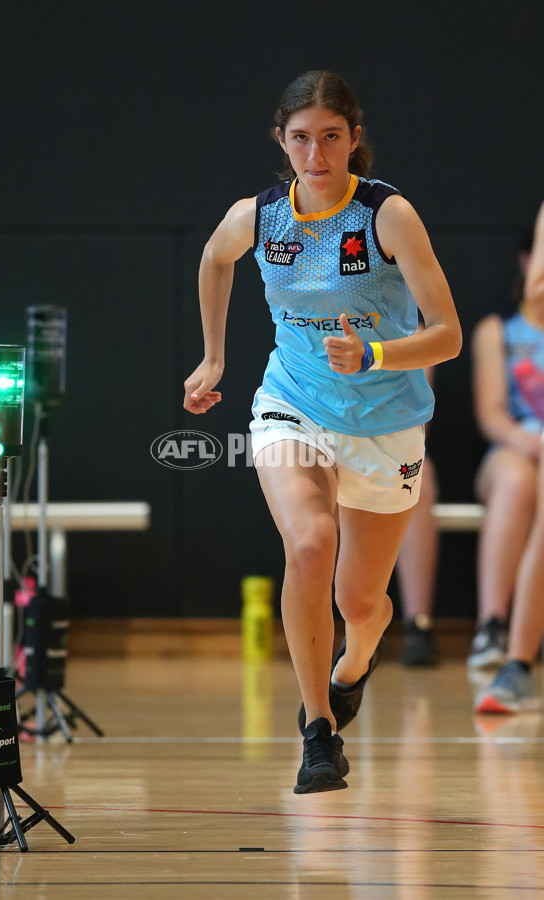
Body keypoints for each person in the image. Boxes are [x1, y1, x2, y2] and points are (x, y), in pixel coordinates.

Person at [184, 70, 462, 793]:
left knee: (360, 606)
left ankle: (354, 663)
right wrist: (214, 356)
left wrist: (374, 352)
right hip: (293, 402)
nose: (316, 153)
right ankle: (317, 731)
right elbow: (216, 258)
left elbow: (448, 335)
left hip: (385, 422)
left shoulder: (386, 216)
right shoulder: (259, 215)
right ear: (282, 141)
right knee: (309, 543)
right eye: (301, 138)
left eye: (330, 137)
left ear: (353, 140)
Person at [475, 201, 544, 713]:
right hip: (516, 447)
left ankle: (518, 660)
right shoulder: (500, 331)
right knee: (520, 480)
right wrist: (529, 442)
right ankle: (497, 633)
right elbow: (492, 413)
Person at [395, 359, 441, 667]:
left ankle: (418, 626)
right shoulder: (316, 320)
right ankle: (325, 625)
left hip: (391, 442)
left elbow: (415, 418)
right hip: (327, 436)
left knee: (418, 479)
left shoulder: (414, 331)